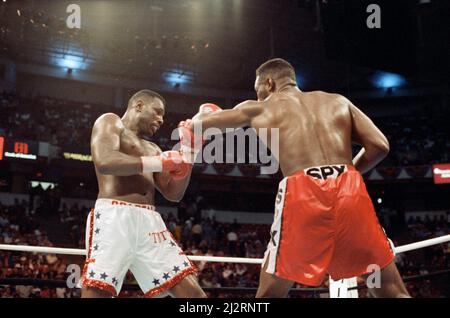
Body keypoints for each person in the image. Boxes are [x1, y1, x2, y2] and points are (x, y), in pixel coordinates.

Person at [183, 58, 410, 298]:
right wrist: (346, 173)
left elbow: (201, 126)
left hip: (304, 191)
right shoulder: (337, 101)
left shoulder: (259, 107)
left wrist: (202, 113)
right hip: (349, 187)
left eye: (257, 88)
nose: (258, 95)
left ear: (269, 83)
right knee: (390, 289)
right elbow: (379, 146)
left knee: (271, 293)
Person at [80, 89, 206, 298]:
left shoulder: (154, 149)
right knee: (97, 292)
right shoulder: (111, 122)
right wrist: (159, 162)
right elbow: (105, 161)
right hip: (114, 218)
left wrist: (189, 154)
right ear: (139, 106)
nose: (161, 119)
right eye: (157, 112)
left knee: (194, 295)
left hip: (150, 222)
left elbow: (173, 194)